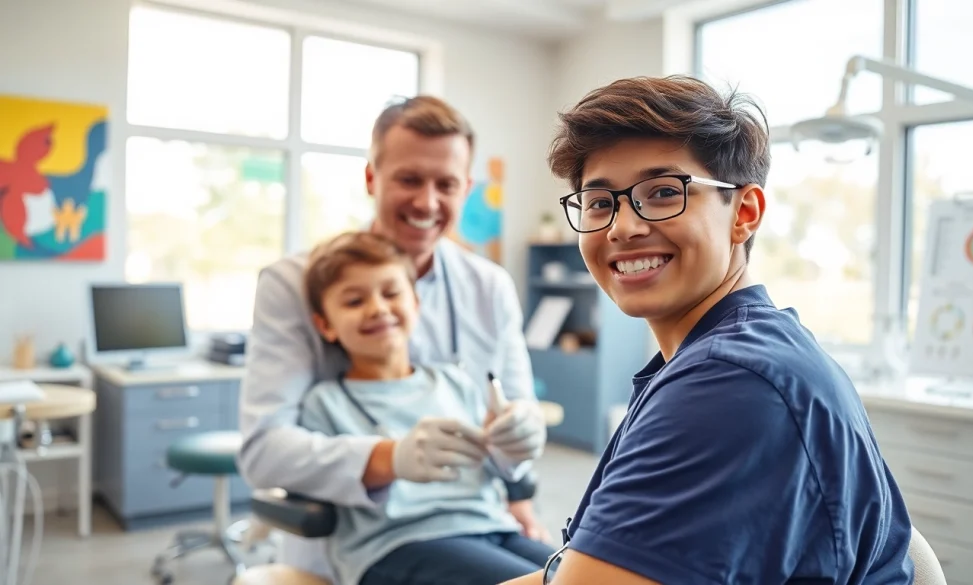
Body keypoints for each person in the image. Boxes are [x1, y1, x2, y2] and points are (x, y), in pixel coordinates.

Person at [505, 75, 915, 584]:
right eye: (599, 202)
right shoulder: (733, 349)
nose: (622, 227)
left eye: (661, 193)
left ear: (744, 213)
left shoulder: (731, 383)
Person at [239, 95, 550, 582]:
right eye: (409, 179)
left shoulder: (488, 287)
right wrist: (389, 457)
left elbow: (511, 411)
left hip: (481, 517)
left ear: (465, 188)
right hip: (378, 540)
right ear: (371, 178)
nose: (427, 202)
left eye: (446, 184)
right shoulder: (295, 283)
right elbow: (264, 452)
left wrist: (523, 435)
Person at [297, 230, 555, 585]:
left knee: (594, 573)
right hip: (398, 543)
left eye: (391, 293)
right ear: (325, 325)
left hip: (489, 523)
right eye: (355, 301)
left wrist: (513, 443)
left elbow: (496, 466)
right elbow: (318, 476)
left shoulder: (455, 382)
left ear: (416, 304)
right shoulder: (324, 404)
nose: (378, 308)